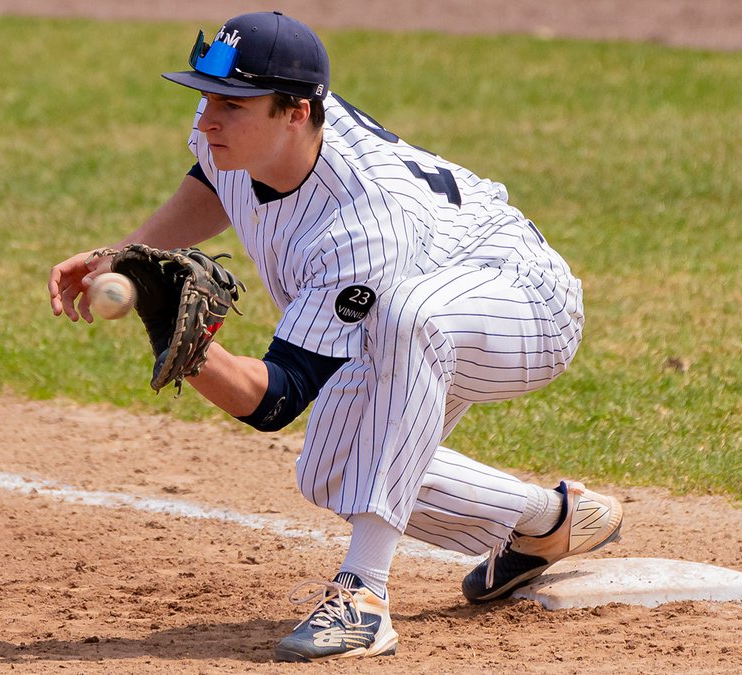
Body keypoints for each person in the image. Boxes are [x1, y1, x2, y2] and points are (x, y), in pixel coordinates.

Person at [48, 11, 623, 663]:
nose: (208, 118)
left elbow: (277, 399)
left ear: (295, 112)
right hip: (424, 290)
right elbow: (215, 177)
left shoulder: (361, 223)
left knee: (409, 315)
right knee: (336, 469)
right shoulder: (248, 131)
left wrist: (191, 349)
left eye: (231, 104)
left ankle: (364, 598)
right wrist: (130, 255)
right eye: (206, 96)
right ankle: (547, 519)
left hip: (524, 304)